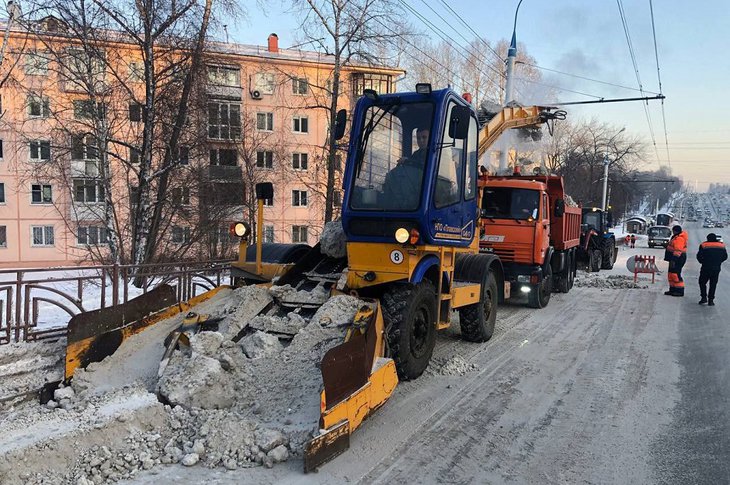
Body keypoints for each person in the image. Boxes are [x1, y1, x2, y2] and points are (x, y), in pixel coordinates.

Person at [697, 233, 728, 306]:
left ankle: (704, 297)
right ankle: (711, 300)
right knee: (713, 284)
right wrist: (718, 262)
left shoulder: (704, 245)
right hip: (716, 268)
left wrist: (702, 262)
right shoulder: (721, 245)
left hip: (706, 267)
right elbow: (725, 256)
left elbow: (699, 256)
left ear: (708, 238)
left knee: (702, 282)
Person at [664, 225, 688, 297]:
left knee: (675, 274)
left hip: (677, 258)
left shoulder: (679, 238)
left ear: (676, 231)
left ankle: (679, 291)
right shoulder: (676, 237)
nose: (672, 232)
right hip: (674, 258)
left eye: (673, 231)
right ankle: (672, 289)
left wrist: (674, 260)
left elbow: (678, 250)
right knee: (671, 274)